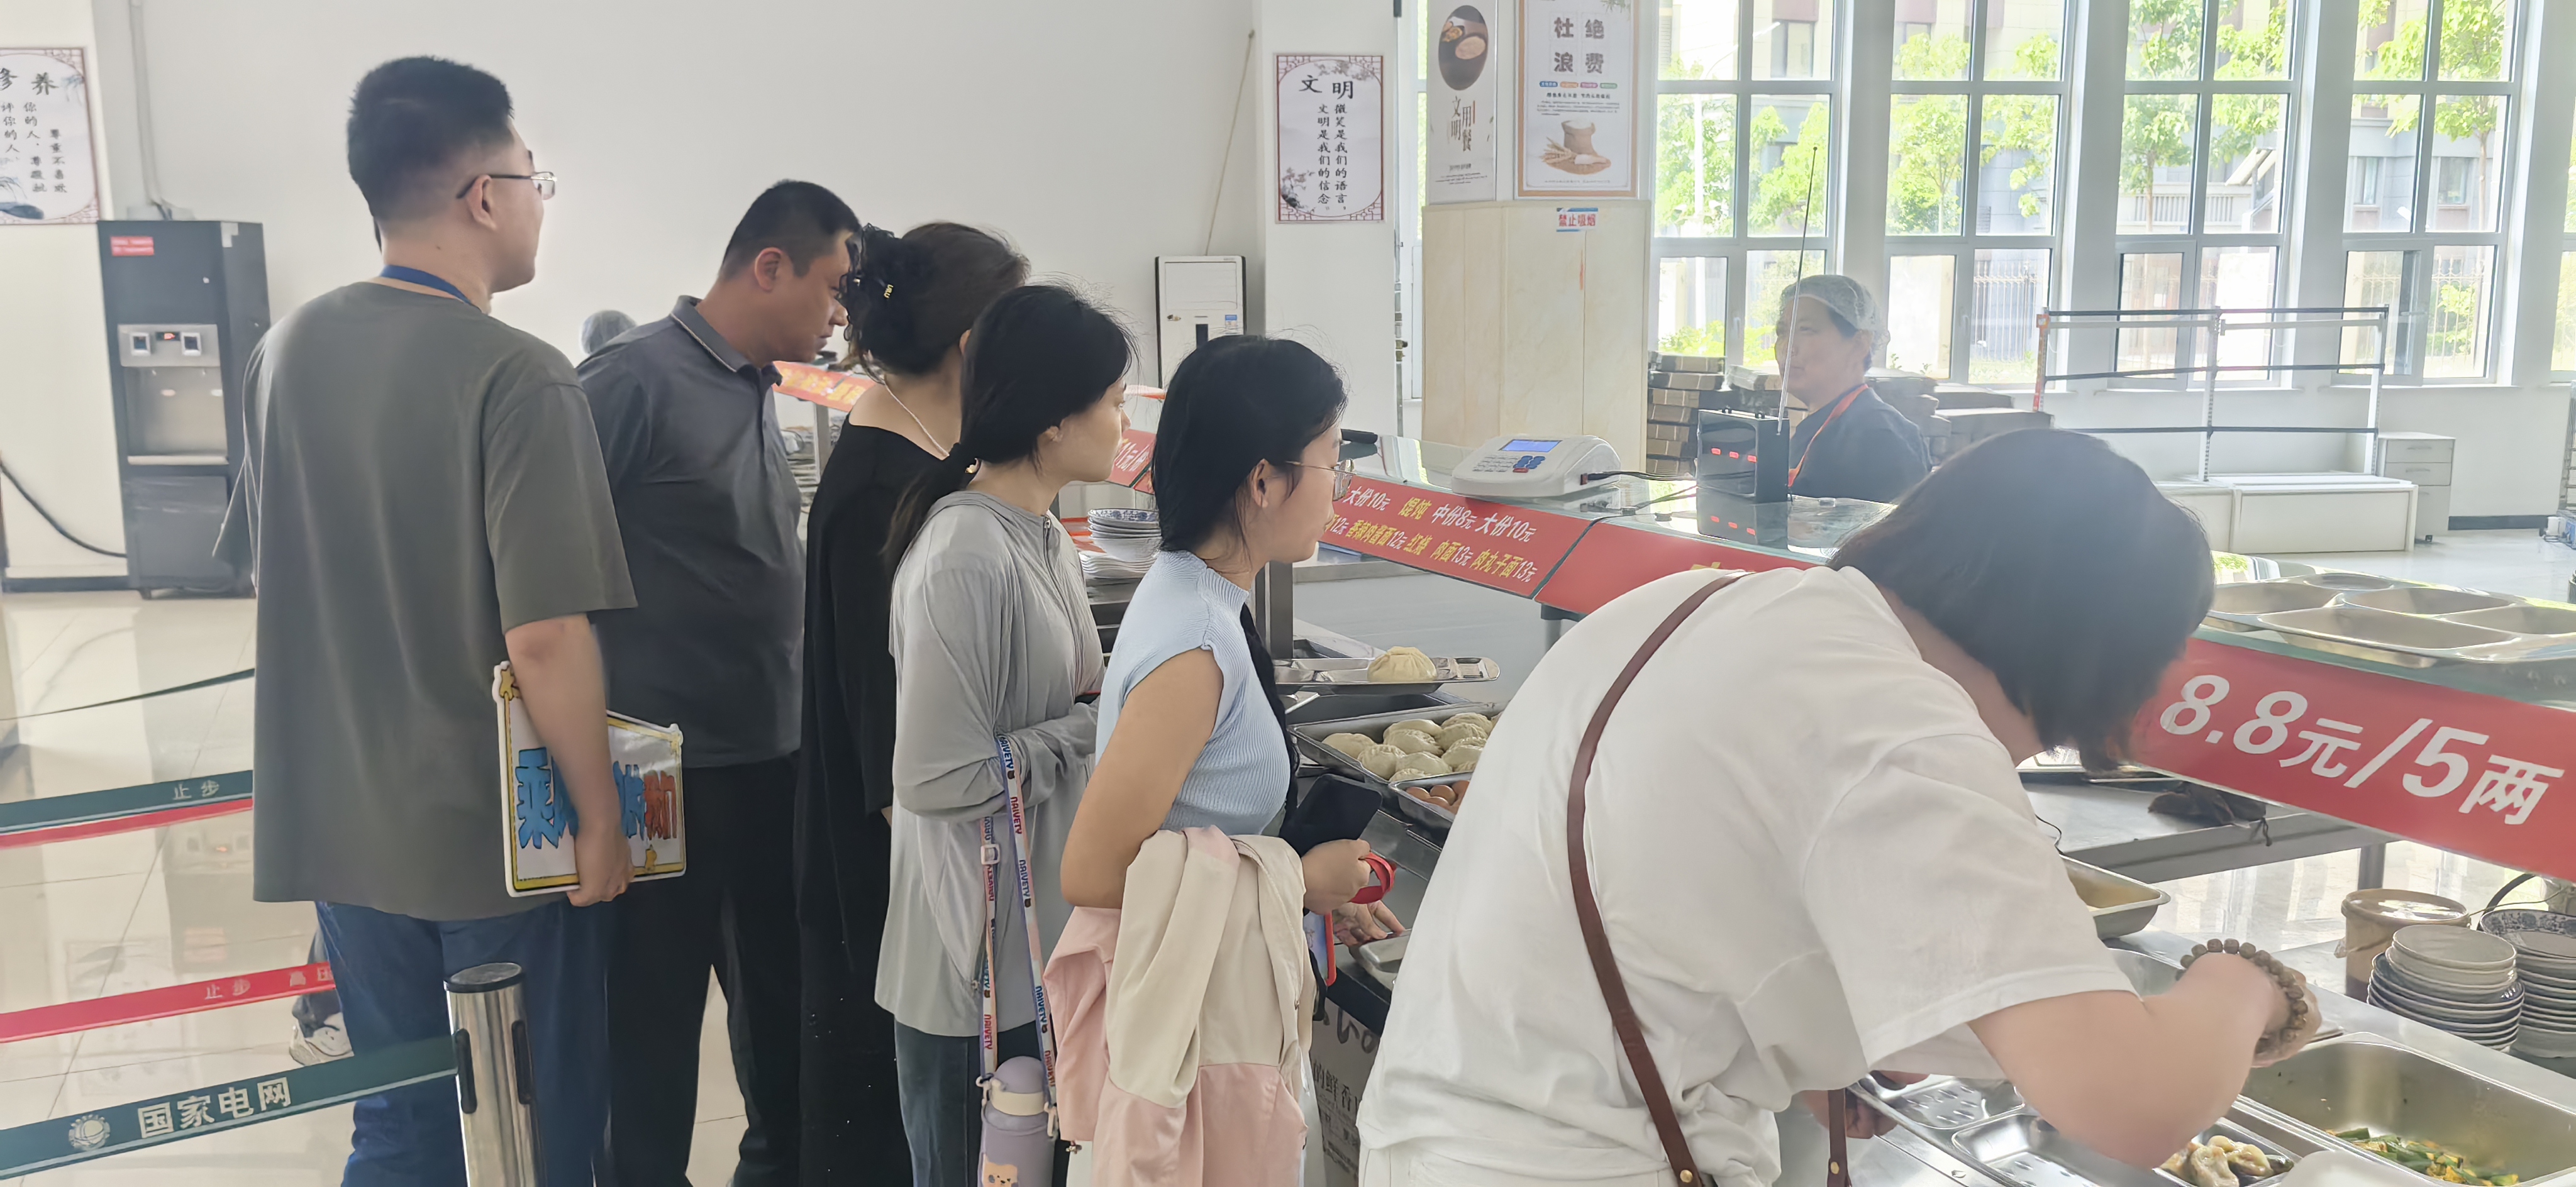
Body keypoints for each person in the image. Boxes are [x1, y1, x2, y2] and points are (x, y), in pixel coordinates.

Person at [1357, 429, 2320, 1187]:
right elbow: (2132, 1103)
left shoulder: (1704, 603)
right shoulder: (1900, 723)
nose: (2029, 756)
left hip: (1437, 1133)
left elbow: (1698, 889)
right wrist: (2243, 984)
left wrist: (1825, 1051)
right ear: (2089, 661)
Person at [216, 57, 634, 1186]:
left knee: (399, 1125)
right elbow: (545, 635)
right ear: (485, 195)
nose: (539, 202)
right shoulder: (521, 376)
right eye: (534, 178)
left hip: (341, 826)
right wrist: (600, 817)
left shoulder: (281, 352)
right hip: (489, 839)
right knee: (539, 1127)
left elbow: (272, 575)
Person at [1050, 334, 1401, 1177]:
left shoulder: (1196, 590)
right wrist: (1297, 880)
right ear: (1263, 481)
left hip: (1208, 993)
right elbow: (1093, 872)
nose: (1339, 490)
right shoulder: (1196, 646)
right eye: (1331, 463)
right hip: (1194, 1030)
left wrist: (1297, 894)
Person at [577, 180, 860, 1187]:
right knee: (651, 1025)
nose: (840, 315)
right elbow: (544, 562)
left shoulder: (754, 384)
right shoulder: (632, 381)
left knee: (782, 1010)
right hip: (661, 771)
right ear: (769, 266)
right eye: (834, 286)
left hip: (769, 759)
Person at [882, 284, 1131, 1186]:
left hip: (1038, 942)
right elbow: (937, 778)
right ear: (1053, 420)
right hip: (972, 966)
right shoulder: (965, 553)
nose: (1124, 420)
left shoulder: (1044, 534)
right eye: (1113, 400)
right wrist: (1082, 730)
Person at [796, 220, 1028, 1183]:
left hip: (917, 864)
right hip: (893, 871)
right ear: (974, 347)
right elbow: (890, 738)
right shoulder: (881, 489)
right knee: (895, 1133)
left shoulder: (921, 458)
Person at [1771, 274, 1928, 504]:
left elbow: (1897, 525)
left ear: (1859, 344)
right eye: (1782, 332)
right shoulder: (1817, 428)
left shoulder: (1881, 437)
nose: (1787, 348)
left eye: (1806, 330)